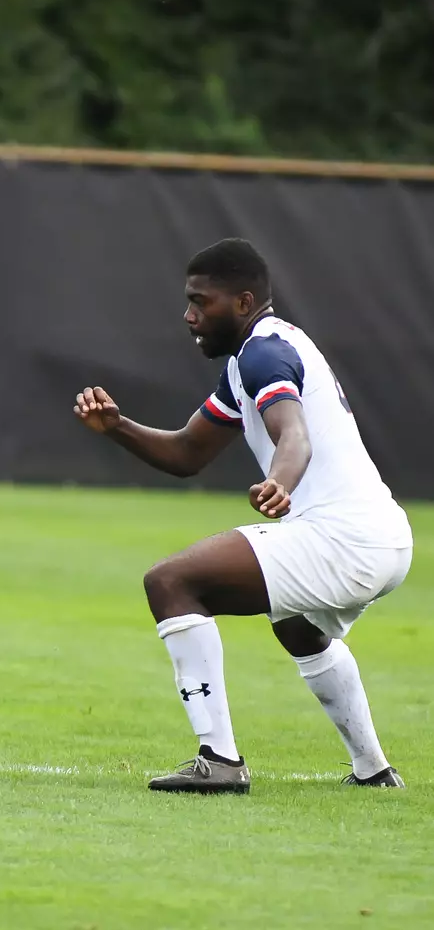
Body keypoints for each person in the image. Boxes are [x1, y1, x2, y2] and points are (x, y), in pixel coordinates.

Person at [75, 238, 411, 792]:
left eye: (200, 302)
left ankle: (221, 761)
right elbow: (187, 453)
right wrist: (117, 427)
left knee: (171, 581)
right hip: (384, 537)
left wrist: (280, 481)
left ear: (243, 301)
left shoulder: (263, 353)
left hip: (346, 538)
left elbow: (294, 433)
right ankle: (374, 770)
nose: (189, 316)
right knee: (298, 627)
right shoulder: (248, 361)